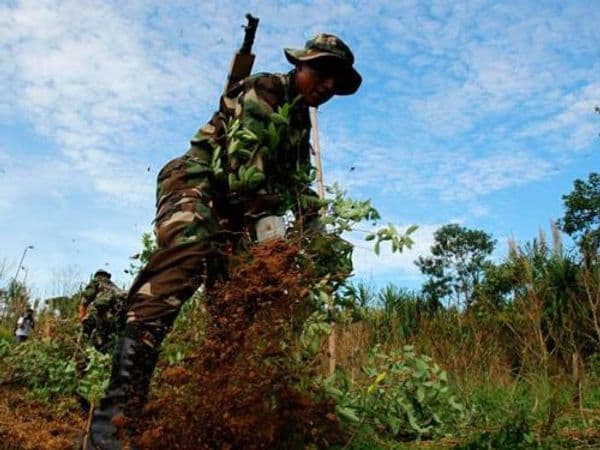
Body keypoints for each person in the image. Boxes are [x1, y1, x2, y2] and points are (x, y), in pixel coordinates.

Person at [85, 33, 361, 448]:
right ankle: (111, 424)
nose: (327, 85)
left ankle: (211, 413)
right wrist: (271, 230)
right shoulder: (264, 89)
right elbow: (245, 164)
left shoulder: (299, 124)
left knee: (232, 307)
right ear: (300, 66)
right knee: (187, 257)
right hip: (198, 185)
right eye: (321, 71)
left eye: (336, 81)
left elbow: (298, 187)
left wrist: (318, 236)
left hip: (236, 211)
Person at [79, 269, 126, 354]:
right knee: (107, 339)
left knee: (92, 334)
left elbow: (85, 300)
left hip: (100, 314)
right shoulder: (113, 286)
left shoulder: (96, 281)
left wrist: (82, 317)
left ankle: (91, 354)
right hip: (115, 317)